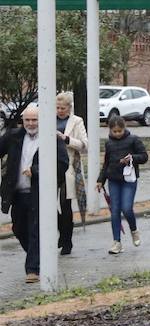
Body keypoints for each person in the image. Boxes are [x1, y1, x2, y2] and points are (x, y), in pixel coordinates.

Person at [0, 104, 69, 283]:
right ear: (22, 121)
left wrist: (36, 170)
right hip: (18, 193)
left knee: (35, 229)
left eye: (34, 120)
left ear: (42, 120)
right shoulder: (14, 137)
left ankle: (33, 269)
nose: (31, 123)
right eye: (27, 120)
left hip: (40, 192)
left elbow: (62, 164)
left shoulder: (52, 139)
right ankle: (40, 254)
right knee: (18, 228)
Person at [95, 114, 148, 255]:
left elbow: (144, 157)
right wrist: (100, 180)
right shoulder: (109, 143)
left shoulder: (133, 140)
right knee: (115, 211)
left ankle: (134, 230)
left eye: (120, 131)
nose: (117, 134)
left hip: (129, 180)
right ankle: (116, 242)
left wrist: (132, 158)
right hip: (113, 180)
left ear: (124, 128)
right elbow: (106, 163)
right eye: (115, 131)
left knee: (127, 208)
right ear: (110, 130)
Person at [55, 91, 89, 255]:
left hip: (68, 167)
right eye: (58, 107)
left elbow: (84, 144)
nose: (60, 111)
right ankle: (62, 229)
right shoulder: (48, 118)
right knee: (45, 203)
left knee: (65, 204)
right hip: (49, 166)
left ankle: (67, 241)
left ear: (69, 108)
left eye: (63, 108)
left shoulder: (77, 121)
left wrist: (66, 139)